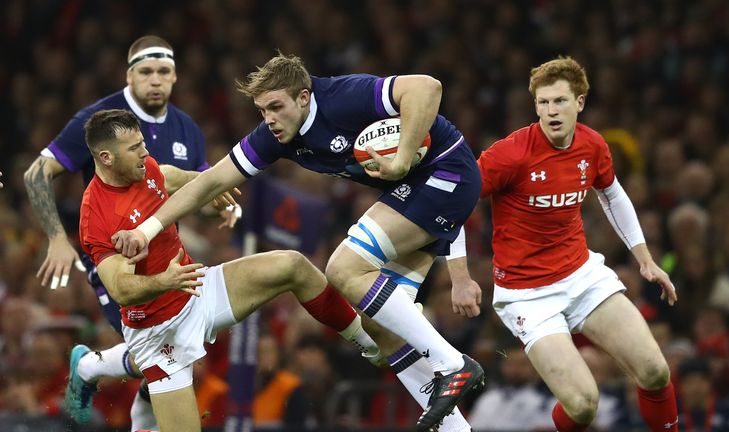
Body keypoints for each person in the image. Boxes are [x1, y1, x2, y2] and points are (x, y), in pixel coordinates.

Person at [112, 53, 485, 431]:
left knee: (343, 268)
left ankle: (452, 364)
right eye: (262, 110)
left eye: (276, 107)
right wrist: (145, 230)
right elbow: (208, 183)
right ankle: (455, 427)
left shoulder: (343, 96)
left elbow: (427, 86)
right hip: (421, 193)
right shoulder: (276, 137)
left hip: (445, 172)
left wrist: (403, 157)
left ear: (303, 97)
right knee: (381, 326)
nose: (268, 119)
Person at [78, 109, 379, 432]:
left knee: (293, 265)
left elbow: (168, 175)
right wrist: (164, 280)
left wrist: (208, 190)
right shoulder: (97, 215)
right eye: (134, 148)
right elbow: (120, 288)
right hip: (158, 331)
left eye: (142, 143)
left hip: (197, 289)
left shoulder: (142, 168)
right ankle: (112, 392)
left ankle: (368, 343)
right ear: (106, 157)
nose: (145, 152)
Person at [452, 57, 680, 432]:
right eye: (543, 103)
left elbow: (613, 194)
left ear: (580, 102)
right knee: (583, 404)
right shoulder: (510, 154)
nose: (550, 111)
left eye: (559, 101)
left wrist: (646, 260)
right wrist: (459, 277)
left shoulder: (592, 145)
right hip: (527, 295)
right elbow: (453, 204)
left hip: (582, 276)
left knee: (655, 371)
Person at [22, 35, 231, 429]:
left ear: (175, 77)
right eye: (146, 71)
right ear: (129, 76)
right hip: (114, 255)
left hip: (167, 252)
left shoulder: (186, 127)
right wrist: (55, 237)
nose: (155, 80)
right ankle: (89, 369)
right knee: (157, 347)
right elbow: (36, 172)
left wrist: (224, 205)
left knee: (170, 351)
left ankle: (108, 385)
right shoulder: (101, 119)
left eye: (163, 72)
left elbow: (194, 187)